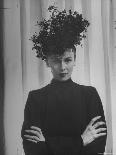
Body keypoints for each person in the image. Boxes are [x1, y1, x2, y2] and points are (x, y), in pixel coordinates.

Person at [21, 6, 107, 155]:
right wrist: (81, 140)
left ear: (75, 60)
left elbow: (97, 147)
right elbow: (33, 150)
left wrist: (48, 144)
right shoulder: (36, 98)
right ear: (47, 61)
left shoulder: (90, 95)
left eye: (67, 60)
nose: (62, 67)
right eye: (56, 60)